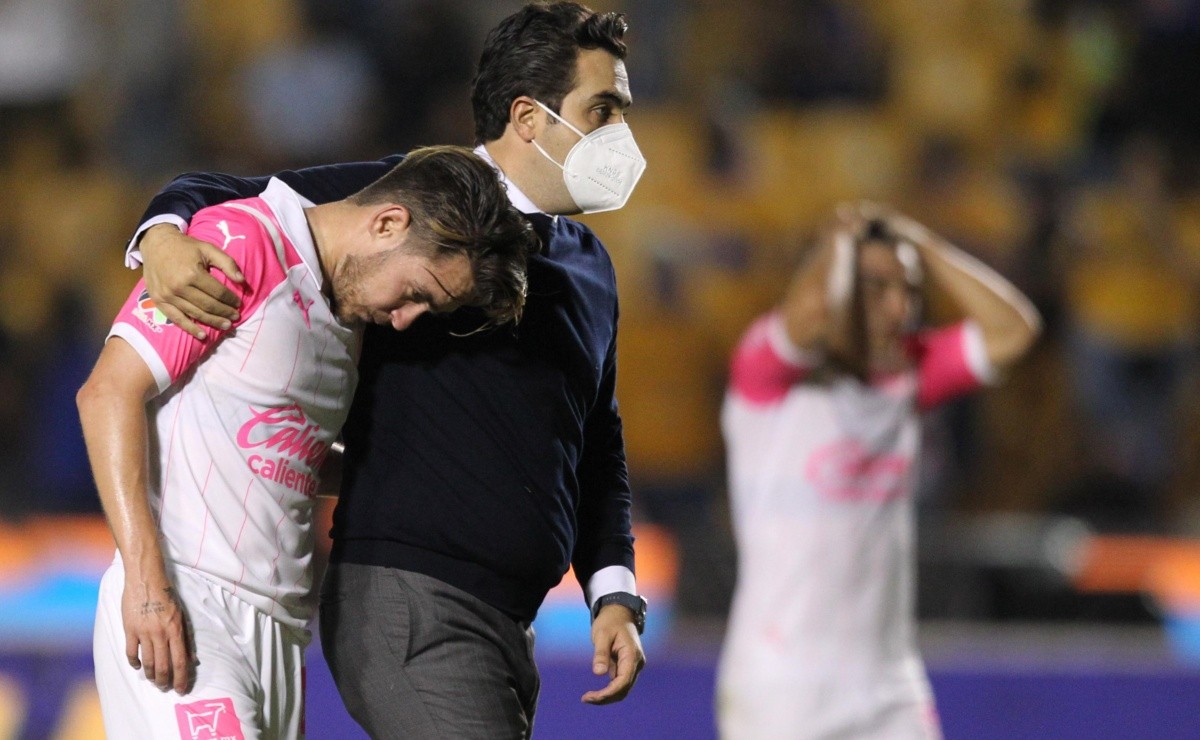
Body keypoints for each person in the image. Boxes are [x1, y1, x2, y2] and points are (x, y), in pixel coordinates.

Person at [122, 3, 648, 737]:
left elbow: (598, 441)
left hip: (508, 617)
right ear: (529, 117)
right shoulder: (411, 202)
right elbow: (230, 193)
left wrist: (613, 590)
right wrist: (164, 234)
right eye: (603, 109)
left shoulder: (593, 267)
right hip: (411, 602)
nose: (621, 134)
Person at [78, 145, 534, 739]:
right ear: (389, 222)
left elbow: (275, 452)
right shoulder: (242, 244)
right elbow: (108, 394)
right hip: (186, 600)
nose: (406, 318)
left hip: (280, 628)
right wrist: (145, 582)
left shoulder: (344, 317)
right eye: (418, 291)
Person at [717, 203, 1042, 739]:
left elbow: (1014, 331)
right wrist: (837, 241)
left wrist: (926, 245)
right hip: (781, 691)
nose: (900, 308)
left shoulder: (910, 373)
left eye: (909, 290)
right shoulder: (769, 377)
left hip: (889, 688)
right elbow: (815, 311)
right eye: (877, 288)